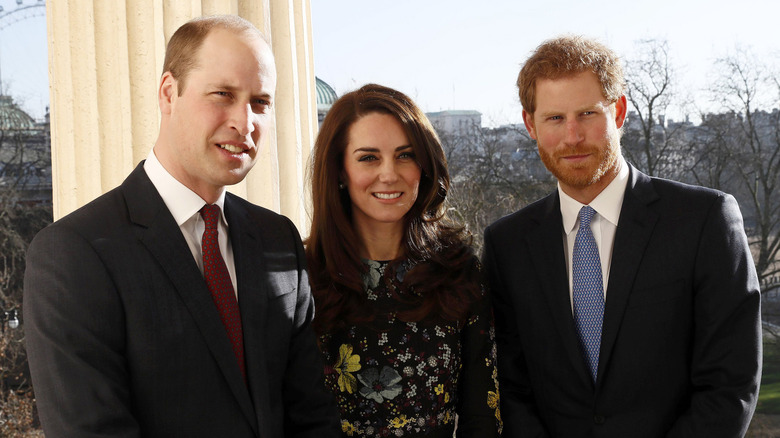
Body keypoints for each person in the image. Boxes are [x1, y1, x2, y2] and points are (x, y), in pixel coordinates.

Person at [24, 15, 339, 437]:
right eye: (222, 94)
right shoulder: (73, 254)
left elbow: (312, 418)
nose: (245, 123)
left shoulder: (276, 238)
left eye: (260, 102)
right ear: (168, 93)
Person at [483, 35, 762, 437]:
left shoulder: (705, 221)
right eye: (555, 118)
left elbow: (730, 384)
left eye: (587, 114)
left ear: (619, 112)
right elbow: (509, 387)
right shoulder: (506, 245)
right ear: (531, 124)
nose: (573, 136)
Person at [306, 83, 501, 437]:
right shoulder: (302, 275)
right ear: (338, 171)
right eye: (368, 157)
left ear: (424, 166)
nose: (389, 174)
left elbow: (483, 414)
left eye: (405, 155)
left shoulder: (459, 270)